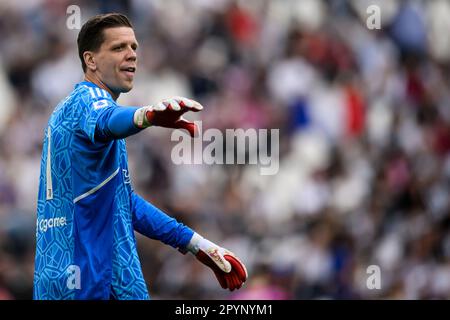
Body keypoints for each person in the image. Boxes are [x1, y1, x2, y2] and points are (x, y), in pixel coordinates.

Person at [33, 13, 247, 300]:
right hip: (91, 279)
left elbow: (121, 202)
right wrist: (146, 116)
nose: (131, 54)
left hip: (59, 279)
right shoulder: (88, 101)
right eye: (118, 48)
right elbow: (108, 119)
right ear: (91, 60)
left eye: (134, 47)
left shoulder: (65, 111)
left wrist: (196, 244)